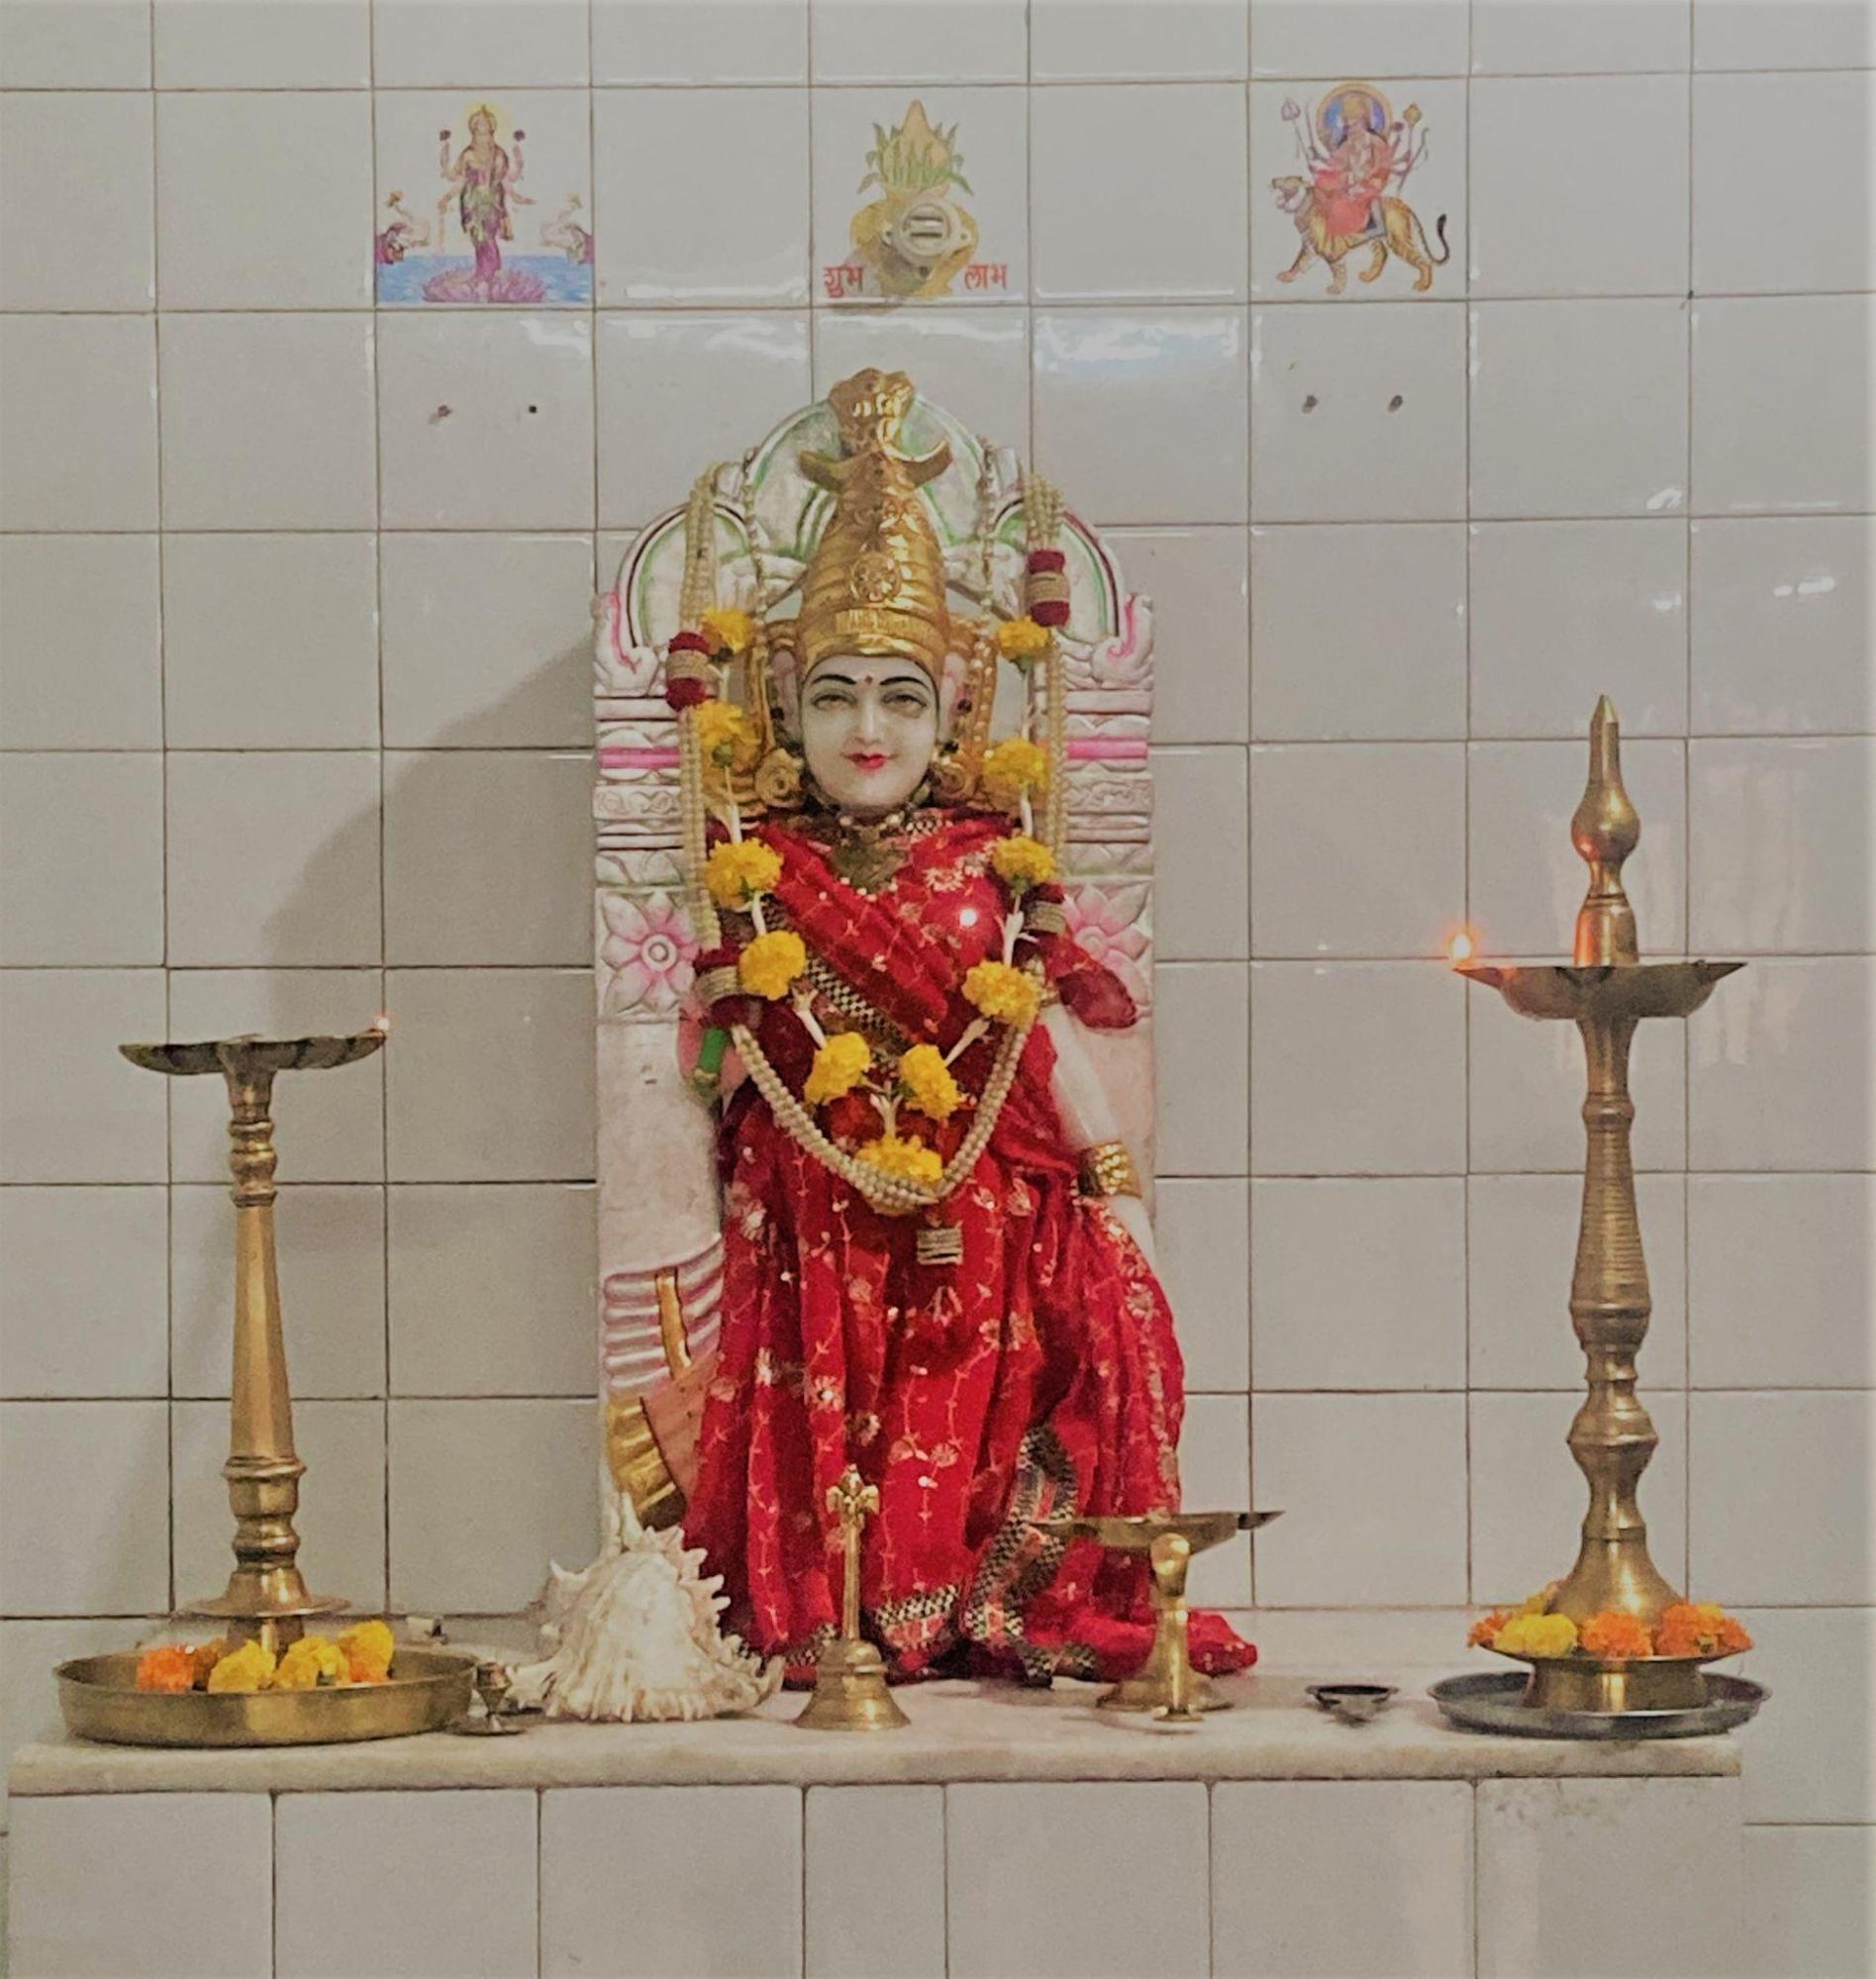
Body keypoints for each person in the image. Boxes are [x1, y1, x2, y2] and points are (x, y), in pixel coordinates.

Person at [673, 371, 1255, 1687]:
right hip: (811, 1207)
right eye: (833, 698)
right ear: (780, 708)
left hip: (974, 1192)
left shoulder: (992, 863)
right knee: (821, 1378)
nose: (866, 731)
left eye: (898, 697)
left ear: (953, 717)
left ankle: (983, 1602)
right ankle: (833, 1612)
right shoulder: (753, 870)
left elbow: (1038, 1035)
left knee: (1018, 1338)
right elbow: (715, 1068)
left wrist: (1113, 1189)